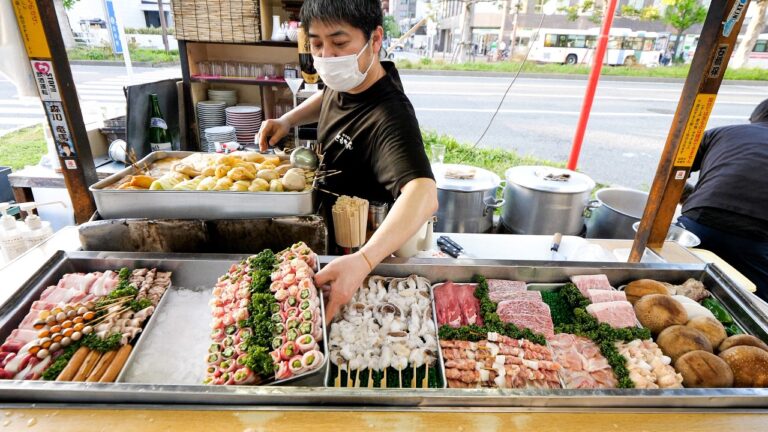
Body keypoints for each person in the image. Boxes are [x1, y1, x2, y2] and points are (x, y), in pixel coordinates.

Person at [258, 0, 438, 323]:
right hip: (329, 238)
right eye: (317, 44)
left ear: (376, 39)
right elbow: (328, 96)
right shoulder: (350, 77)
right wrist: (288, 119)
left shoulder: (390, 116)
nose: (327, 56)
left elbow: (424, 195)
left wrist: (363, 261)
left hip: (356, 261)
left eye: (339, 43)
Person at [679, 98, 768, 302]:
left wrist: (691, 198)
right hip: (757, 237)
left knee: (673, 277)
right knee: (754, 305)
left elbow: (672, 170)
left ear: (752, 119)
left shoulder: (721, 132)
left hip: (698, 220)